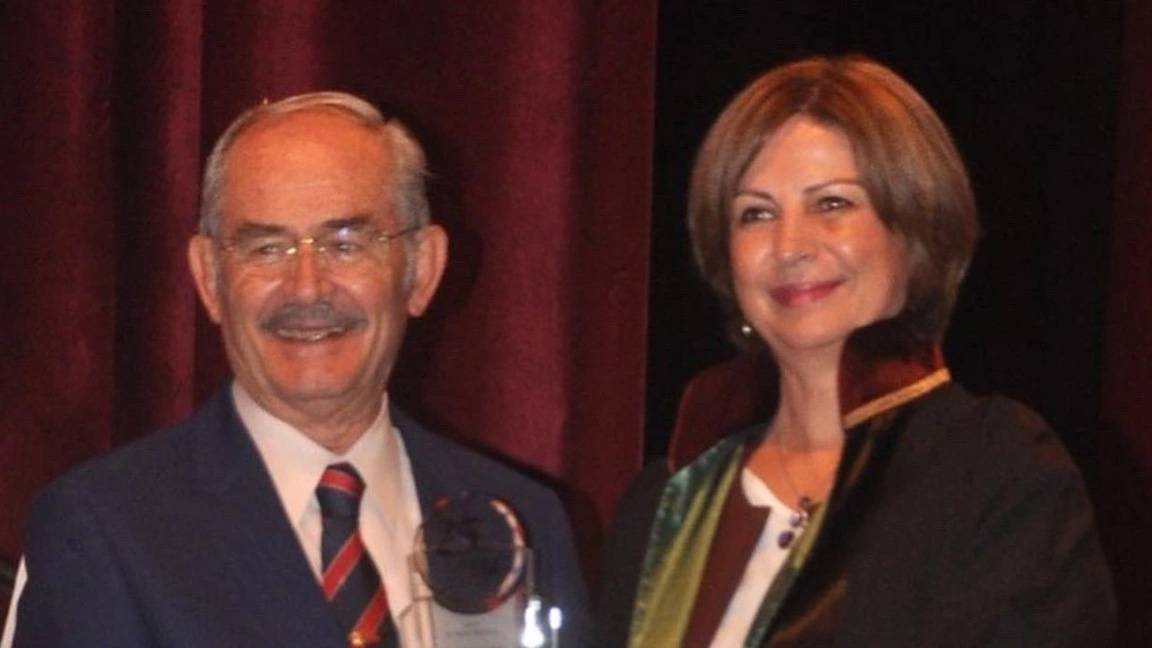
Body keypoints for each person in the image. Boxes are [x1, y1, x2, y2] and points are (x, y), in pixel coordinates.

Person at [4, 92, 589, 647]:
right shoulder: (104, 530)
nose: (307, 288)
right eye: (265, 248)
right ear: (208, 278)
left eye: (345, 243)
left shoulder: (520, 524)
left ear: (422, 268)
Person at [597, 56, 1114, 647]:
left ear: (913, 229)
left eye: (832, 204)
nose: (789, 245)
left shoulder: (995, 471)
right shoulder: (664, 504)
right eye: (755, 213)